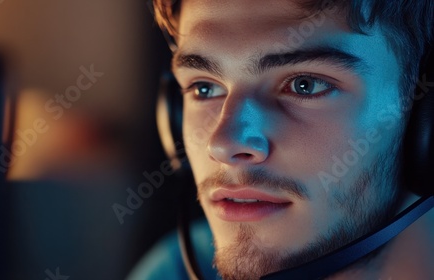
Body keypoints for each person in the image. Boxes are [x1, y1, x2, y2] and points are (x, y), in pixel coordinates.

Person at [130, 0, 434, 279]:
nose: (223, 145)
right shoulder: (171, 269)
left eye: (305, 85)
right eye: (204, 88)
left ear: (424, 120)